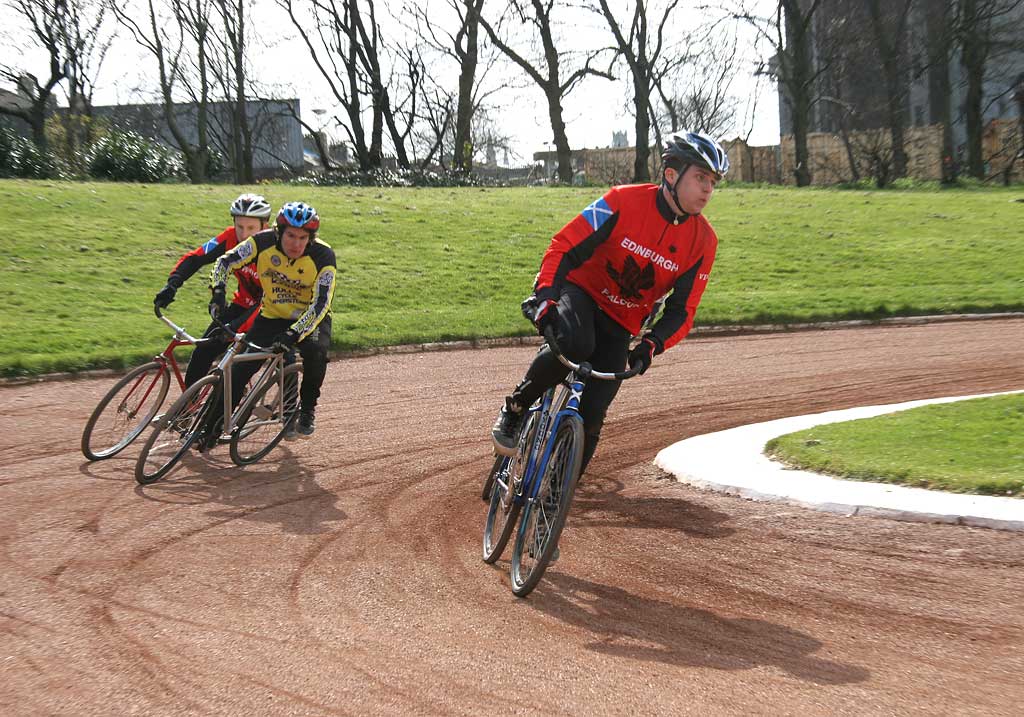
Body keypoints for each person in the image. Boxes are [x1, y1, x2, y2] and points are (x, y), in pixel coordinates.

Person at [491, 130, 729, 476]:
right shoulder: (622, 201)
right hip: (582, 292)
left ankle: (557, 491)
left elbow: (683, 311)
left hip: (623, 322)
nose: (708, 189)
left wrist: (650, 346)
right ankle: (516, 408)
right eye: (701, 178)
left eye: (713, 182)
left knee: (595, 412)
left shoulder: (704, 241)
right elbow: (565, 246)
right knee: (574, 343)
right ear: (671, 175)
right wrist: (545, 297)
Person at [208, 201, 336, 438]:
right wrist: (218, 291)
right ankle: (212, 425)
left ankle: (307, 409)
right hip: (272, 315)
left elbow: (321, 304)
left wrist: (294, 333)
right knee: (240, 368)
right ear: (278, 232)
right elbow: (225, 261)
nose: (295, 244)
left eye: (302, 237)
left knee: (316, 354)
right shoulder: (262, 242)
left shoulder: (323, 255)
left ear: (311, 238)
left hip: (309, 319)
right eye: (290, 236)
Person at [153, 193, 272, 387]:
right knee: (203, 349)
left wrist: (235, 328)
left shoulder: (273, 249)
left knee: (282, 357)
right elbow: (196, 258)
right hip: (244, 303)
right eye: (239, 226)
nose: (243, 234)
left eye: (251, 228)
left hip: (272, 310)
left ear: (264, 226)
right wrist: (172, 284)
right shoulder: (229, 237)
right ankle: (188, 409)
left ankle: (291, 407)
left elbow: (270, 300)